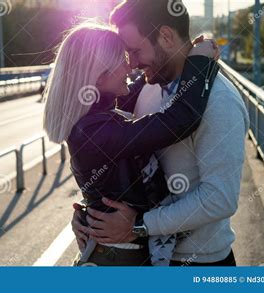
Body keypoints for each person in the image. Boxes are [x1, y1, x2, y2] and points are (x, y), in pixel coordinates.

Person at [71, 0, 250, 266]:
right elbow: (117, 156)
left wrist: (138, 226)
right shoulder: (150, 86)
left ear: (165, 36)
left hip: (198, 263)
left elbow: (219, 198)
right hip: (149, 258)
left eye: (135, 51)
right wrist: (92, 213)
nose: (131, 64)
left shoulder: (219, 101)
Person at [43, 21, 220, 266]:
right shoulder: (96, 132)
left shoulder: (94, 118)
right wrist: (200, 64)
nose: (130, 67)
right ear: (98, 75)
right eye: (122, 60)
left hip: (117, 254)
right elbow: (179, 120)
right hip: (120, 260)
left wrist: (181, 57)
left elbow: (143, 83)